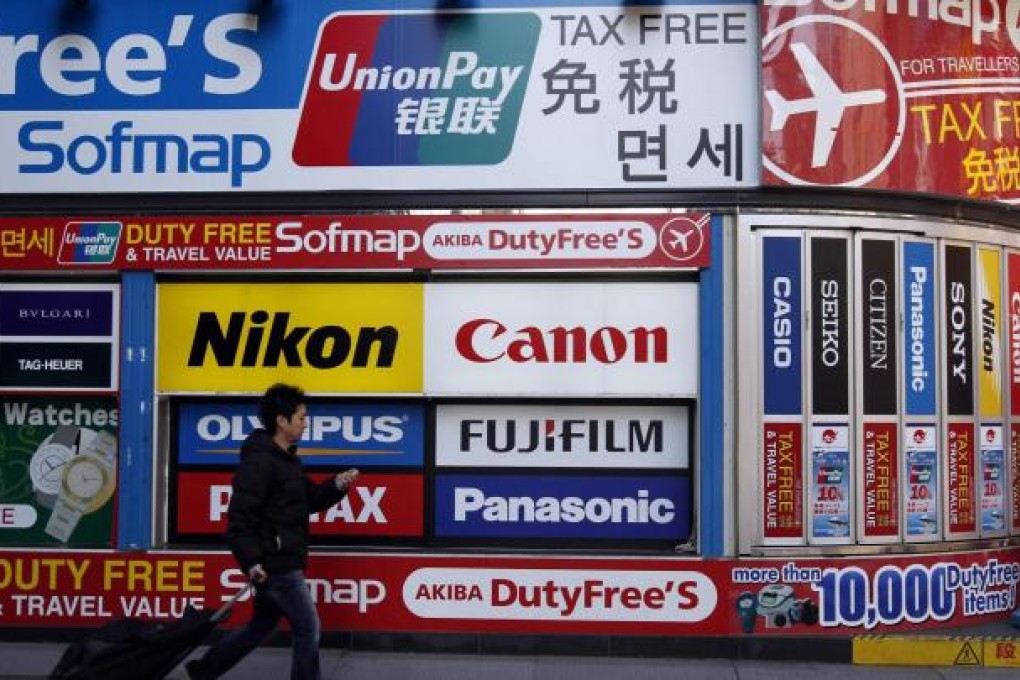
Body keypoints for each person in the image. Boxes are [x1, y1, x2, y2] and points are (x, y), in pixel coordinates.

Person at [187, 383, 359, 680]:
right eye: (302, 417)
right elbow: (240, 518)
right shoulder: (259, 461)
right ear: (282, 420)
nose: (306, 423)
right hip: (276, 563)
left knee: (260, 627)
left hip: (280, 559)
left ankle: (204, 670)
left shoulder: (288, 460)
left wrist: (336, 485)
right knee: (308, 627)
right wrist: (251, 562)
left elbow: (311, 501)